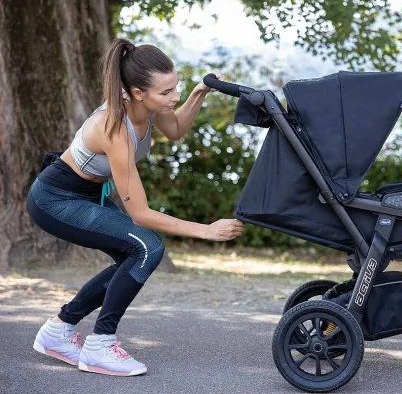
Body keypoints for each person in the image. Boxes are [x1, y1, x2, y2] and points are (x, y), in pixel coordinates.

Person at [27, 38, 244, 376]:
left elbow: (175, 129)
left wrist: (199, 92)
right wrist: (206, 230)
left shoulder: (150, 106)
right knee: (147, 247)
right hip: (55, 198)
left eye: (176, 87)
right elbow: (140, 215)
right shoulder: (115, 128)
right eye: (166, 92)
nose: (174, 97)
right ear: (138, 93)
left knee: (133, 256)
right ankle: (100, 345)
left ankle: (59, 331)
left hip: (88, 194)